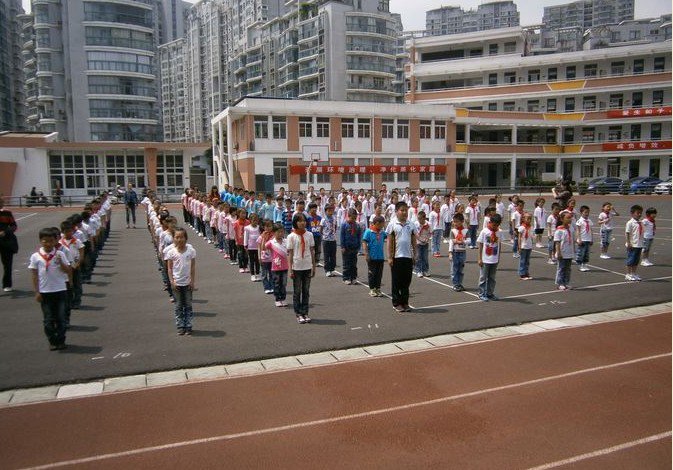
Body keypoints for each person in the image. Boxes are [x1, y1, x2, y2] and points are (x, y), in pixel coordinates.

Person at [29, 228, 72, 350]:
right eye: (45, 241)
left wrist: (61, 263)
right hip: (45, 292)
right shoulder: (36, 256)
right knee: (48, 319)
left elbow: (68, 271)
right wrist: (37, 292)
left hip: (60, 290)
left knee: (61, 318)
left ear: (55, 241)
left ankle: (61, 340)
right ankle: (52, 340)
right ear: (40, 241)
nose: (48, 244)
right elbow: (34, 274)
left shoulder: (60, 254)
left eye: (51, 241)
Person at [386, 201, 417, 313]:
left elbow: (413, 241)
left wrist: (415, 254)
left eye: (406, 210)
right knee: (396, 281)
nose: (404, 212)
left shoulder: (411, 224)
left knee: (406, 281)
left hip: (408, 257)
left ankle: (405, 302)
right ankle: (396, 303)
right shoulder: (392, 224)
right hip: (396, 257)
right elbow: (389, 241)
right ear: (396, 212)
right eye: (402, 210)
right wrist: (389, 257)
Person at [166, 228, 196, 335]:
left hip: (187, 283)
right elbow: (169, 268)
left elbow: (192, 267)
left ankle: (188, 325)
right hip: (176, 283)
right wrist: (171, 282)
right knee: (178, 305)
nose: (179, 239)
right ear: (173, 239)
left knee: (188, 305)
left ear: (186, 238)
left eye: (182, 237)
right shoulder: (171, 252)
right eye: (177, 237)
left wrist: (192, 281)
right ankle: (180, 325)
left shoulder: (191, 251)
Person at [287, 214, 315, 324]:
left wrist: (313, 265)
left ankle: (305, 312)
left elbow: (312, 250)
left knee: (306, 291)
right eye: (299, 221)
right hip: (297, 266)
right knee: (297, 291)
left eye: (303, 221)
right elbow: (290, 253)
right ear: (295, 223)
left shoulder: (309, 235)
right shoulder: (291, 236)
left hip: (307, 265)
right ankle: (298, 313)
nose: (302, 223)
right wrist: (290, 269)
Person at [477, 214, 502, 301]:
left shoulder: (499, 232)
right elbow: (480, 244)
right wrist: (480, 258)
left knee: (492, 278)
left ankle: (490, 293)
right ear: (490, 222)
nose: (496, 227)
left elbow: (499, 245)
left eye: (497, 225)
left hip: (494, 259)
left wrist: (498, 257)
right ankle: (481, 293)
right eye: (494, 225)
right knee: (483, 277)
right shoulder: (485, 231)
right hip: (485, 259)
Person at [362, 215, 387, 297]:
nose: (383, 225)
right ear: (377, 223)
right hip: (372, 257)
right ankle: (372, 289)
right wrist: (366, 254)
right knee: (372, 273)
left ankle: (378, 288)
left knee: (379, 274)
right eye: (382, 224)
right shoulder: (369, 232)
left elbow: (389, 237)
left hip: (380, 257)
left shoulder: (382, 232)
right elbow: (364, 242)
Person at [266, 223, 289, 307]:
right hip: (275, 267)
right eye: (278, 232)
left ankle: (283, 298)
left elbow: (289, 250)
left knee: (283, 283)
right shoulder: (271, 242)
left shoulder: (286, 241)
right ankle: (277, 299)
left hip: (285, 266)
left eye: (282, 232)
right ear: (274, 232)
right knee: (276, 283)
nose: (280, 234)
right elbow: (264, 247)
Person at [0, 196, 18, 292]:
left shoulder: (7, 213)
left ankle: (7, 284)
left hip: (6, 241)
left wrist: (5, 232)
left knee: (7, 264)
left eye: (1, 202)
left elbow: (14, 226)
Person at [340, 208, 362, 285]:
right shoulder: (344, 225)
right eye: (352, 218)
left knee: (354, 264)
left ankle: (353, 277)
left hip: (354, 247)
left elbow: (359, 237)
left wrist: (359, 246)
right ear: (348, 216)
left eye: (355, 218)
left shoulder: (357, 226)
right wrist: (342, 246)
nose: (353, 220)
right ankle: (346, 278)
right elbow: (342, 236)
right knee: (346, 264)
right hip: (346, 247)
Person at [554, 211, 575, 291]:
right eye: (568, 218)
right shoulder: (559, 230)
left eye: (570, 218)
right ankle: (560, 283)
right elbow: (557, 243)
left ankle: (566, 282)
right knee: (561, 268)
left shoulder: (571, 228)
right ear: (562, 219)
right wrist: (558, 252)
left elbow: (572, 240)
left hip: (569, 252)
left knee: (568, 268)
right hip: (562, 253)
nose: (570, 219)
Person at [448, 213, 468, 291]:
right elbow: (451, 242)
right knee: (454, 268)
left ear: (462, 221)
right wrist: (450, 252)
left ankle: (460, 283)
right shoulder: (453, 231)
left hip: (462, 252)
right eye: (454, 221)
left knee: (461, 268)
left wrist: (463, 241)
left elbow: (469, 240)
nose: (455, 223)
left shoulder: (465, 231)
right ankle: (455, 284)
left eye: (457, 222)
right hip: (455, 252)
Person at [625, 205, 644, 281]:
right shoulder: (630, 223)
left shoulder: (640, 222)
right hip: (632, 245)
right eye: (638, 213)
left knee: (636, 260)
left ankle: (634, 273)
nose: (639, 214)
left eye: (640, 213)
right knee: (631, 260)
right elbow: (627, 233)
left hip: (639, 244)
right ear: (632, 213)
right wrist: (628, 242)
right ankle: (628, 274)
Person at [258, 219, 275, 294]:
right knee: (264, 274)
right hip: (264, 258)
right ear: (263, 227)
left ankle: (272, 286)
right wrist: (259, 257)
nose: (268, 228)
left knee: (272, 274)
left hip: (272, 258)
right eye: (266, 226)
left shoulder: (274, 236)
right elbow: (259, 248)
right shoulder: (261, 236)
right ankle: (266, 287)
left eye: (270, 226)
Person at [321, 204, 338, 277]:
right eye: (328, 210)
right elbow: (321, 229)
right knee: (326, 255)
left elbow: (335, 227)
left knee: (333, 255)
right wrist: (325, 235)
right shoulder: (323, 219)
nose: (330, 212)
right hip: (326, 240)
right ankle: (327, 270)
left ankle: (332, 269)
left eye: (331, 210)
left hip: (333, 239)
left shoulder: (334, 218)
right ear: (325, 211)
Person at [575, 205, 593, 272]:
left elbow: (591, 230)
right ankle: (580, 265)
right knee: (581, 253)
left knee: (586, 253)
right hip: (582, 239)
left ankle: (585, 264)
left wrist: (591, 239)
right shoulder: (580, 221)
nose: (587, 214)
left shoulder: (589, 221)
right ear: (581, 213)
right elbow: (578, 231)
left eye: (588, 212)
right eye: (585, 212)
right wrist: (579, 239)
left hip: (588, 239)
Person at [244, 213, 261, 281]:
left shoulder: (259, 227)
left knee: (257, 261)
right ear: (250, 220)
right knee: (251, 261)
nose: (255, 222)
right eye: (253, 220)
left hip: (257, 247)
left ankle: (257, 273)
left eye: (256, 220)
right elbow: (246, 237)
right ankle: (253, 274)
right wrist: (245, 245)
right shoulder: (247, 228)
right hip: (250, 247)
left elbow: (260, 236)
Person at [414, 210, 431, 278]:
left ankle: (425, 270)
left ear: (424, 218)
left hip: (425, 243)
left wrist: (427, 239)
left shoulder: (428, 224)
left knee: (425, 257)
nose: (419, 220)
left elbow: (430, 233)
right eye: (418, 218)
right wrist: (421, 240)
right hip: (418, 243)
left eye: (420, 218)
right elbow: (415, 233)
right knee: (418, 257)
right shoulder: (416, 224)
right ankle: (419, 271)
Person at [518, 212, 534, 280]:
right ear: (523, 219)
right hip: (523, 246)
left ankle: (526, 273)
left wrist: (531, 245)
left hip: (529, 246)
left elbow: (531, 237)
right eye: (528, 218)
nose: (529, 220)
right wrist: (519, 247)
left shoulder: (531, 227)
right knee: (523, 260)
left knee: (527, 261)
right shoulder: (521, 227)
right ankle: (522, 274)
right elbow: (519, 238)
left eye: (530, 219)